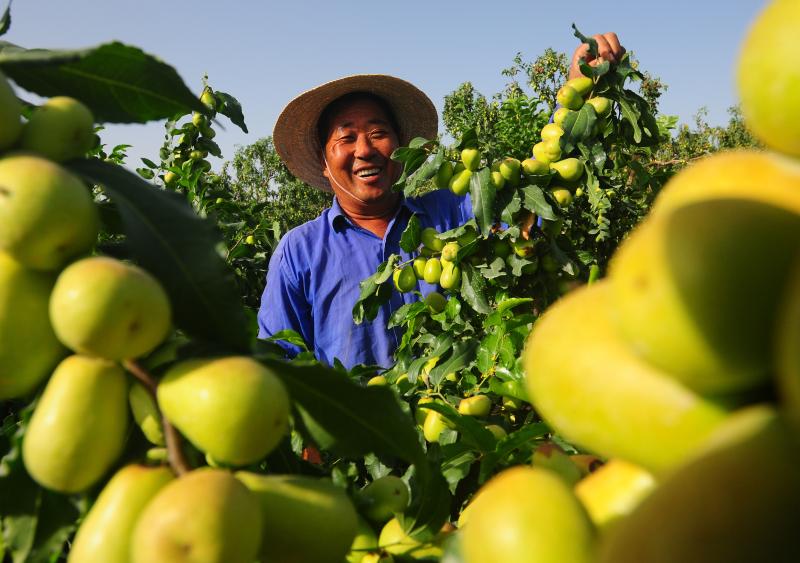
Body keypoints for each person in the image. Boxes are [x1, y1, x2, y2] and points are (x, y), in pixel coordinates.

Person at [258, 34, 625, 369]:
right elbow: (280, 363)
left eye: (378, 133)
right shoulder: (299, 252)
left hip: (459, 430)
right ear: (324, 163)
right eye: (346, 139)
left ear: (402, 149)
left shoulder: (457, 213)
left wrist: (579, 88)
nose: (365, 150)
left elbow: (535, 199)